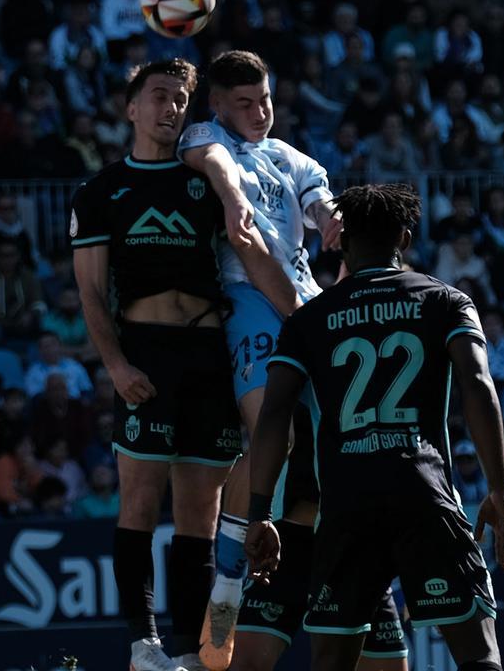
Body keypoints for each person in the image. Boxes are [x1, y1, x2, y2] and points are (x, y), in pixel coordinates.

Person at [71, 59, 298, 671]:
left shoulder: (202, 176)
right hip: (145, 354)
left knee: (202, 511)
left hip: (208, 355)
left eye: (180, 98)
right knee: (140, 502)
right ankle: (143, 644)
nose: (171, 107)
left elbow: (249, 247)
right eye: (159, 95)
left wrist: (301, 317)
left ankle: (196, 651)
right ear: (131, 108)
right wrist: (115, 365)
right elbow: (90, 291)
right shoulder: (100, 192)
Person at [245, 184, 504, 671]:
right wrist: (498, 488)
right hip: (423, 494)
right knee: (479, 654)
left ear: (343, 243)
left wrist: (261, 512)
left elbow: (274, 415)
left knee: (332, 662)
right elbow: (477, 385)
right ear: (405, 239)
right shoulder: (446, 300)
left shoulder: (309, 319)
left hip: (345, 507)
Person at [177, 50, 340, 668]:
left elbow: (322, 203)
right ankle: (225, 585)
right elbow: (212, 160)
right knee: (272, 431)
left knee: (340, 429)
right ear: (218, 104)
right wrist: (230, 196)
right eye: (244, 103)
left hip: (307, 300)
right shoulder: (206, 136)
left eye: (265, 99)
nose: (259, 112)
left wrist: (334, 221)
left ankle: (348, 550)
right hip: (250, 300)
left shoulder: (289, 156)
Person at [230, 406, 409, 671]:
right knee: (246, 664)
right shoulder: (288, 386)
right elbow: (261, 436)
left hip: (356, 542)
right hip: (288, 540)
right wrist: (227, 572)